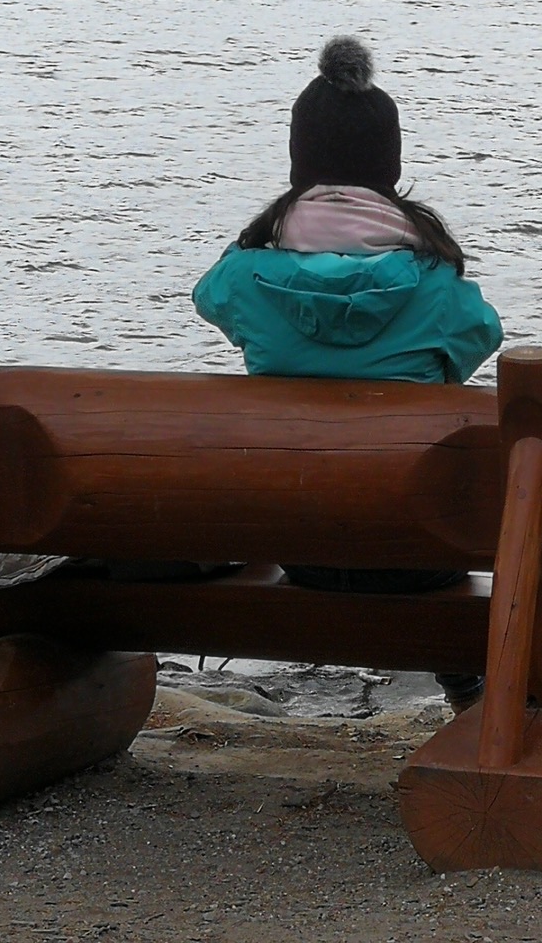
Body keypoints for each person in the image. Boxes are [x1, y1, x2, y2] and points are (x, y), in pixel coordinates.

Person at [193, 35, 501, 706]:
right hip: (420, 554)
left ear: (299, 161)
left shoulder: (245, 279)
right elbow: (484, 336)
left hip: (301, 544)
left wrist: (268, 237)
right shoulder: (436, 286)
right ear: (389, 165)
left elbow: (208, 292)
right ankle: (467, 687)